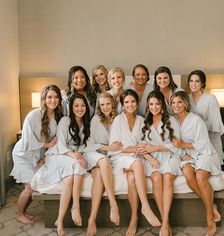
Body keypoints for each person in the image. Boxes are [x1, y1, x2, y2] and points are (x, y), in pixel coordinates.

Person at [41, 93, 119, 236]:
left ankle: (60, 220)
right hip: (60, 154)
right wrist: (75, 155)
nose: (80, 108)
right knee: (77, 166)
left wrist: (80, 154)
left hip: (75, 155)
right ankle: (75, 206)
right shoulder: (65, 121)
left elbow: (85, 145)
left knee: (71, 178)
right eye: (76, 105)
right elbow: (61, 145)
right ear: (71, 107)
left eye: (82, 105)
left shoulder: (86, 122)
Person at [109, 89, 161, 236]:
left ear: (137, 103)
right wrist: (136, 150)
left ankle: (134, 218)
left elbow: (143, 143)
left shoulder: (142, 120)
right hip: (119, 157)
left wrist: (149, 157)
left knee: (132, 178)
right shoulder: (118, 120)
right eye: (126, 102)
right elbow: (116, 146)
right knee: (137, 165)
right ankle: (145, 206)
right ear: (122, 104)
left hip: (136, 157)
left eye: (133, 101)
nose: (130, 104)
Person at [10, 85, 64, 225]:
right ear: (44, 99)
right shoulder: (33, 115)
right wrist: (46, 146)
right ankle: (19, 214)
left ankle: (23, 211)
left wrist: (45, 156)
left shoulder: (58, 117)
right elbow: (28, 141)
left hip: (38, 154)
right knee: (29, 187)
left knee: (34, 184)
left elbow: (56, 141)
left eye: (56, 97)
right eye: (49, 97)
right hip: (24, 154)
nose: (53, 100)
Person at [170, 91, 222, 236]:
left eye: (179, 102)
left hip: (204, 152)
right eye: (173, 103)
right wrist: (183, 152)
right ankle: (212, 205)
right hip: (186, 154)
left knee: (200, 177)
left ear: (186, 103)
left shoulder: (196, 119)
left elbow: (203, 143)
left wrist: (183, 146)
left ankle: (209, 220)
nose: (176, 105)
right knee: (188, 174)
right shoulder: (172, 121)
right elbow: (174, 144)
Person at [138, 90, 182, 236]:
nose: (154, 107)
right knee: (156, 178)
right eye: (151, 104)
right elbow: (141, 145)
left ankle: (164, 222)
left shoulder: (172, 120)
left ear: (162, 105)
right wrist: (150, 158)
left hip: (170, 155)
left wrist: (156, 147)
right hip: (153, 157)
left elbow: (176, 144)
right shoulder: (145, 122)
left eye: (157, 104)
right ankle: (166, 222)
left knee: (168, 177)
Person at [88, 92, 123, 235]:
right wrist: (109, 148)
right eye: (102, 105)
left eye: (108, 104)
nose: (105, 107)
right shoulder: (96, 120)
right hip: (96, 153)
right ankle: (113, 203)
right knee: (103, 162)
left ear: (113, 104)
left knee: (97, 174)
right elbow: (91, 144)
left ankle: (92, 219)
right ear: (98, 106)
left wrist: (114, 149)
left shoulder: (119, 119)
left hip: (112, 155)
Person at [187, 70, 224, 165]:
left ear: (203, 83)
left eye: (197, 81)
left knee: (213, 171)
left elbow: (214, 122)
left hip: (210, 139)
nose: (193, 84)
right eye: (191, 81)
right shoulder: (186, 99)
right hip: (194, 141)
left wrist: (195, 129)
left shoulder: (211, 98)